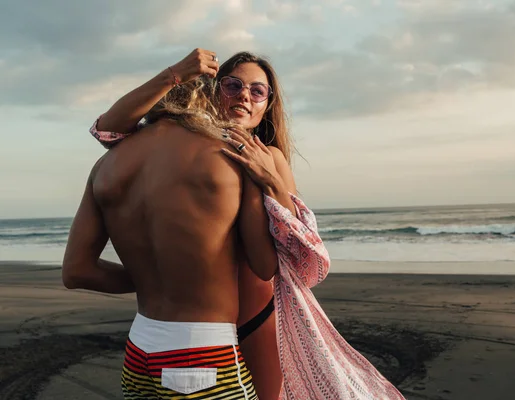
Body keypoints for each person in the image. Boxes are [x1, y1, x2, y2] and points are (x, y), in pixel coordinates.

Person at [88, 49, 406, 399]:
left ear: (267, 105)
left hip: (255, 317)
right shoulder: (201, 151)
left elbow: (289, 252)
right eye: (233, 85)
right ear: (212, 91)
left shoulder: (267, 156)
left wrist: (270, 181)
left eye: (258, 91)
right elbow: (106, 132)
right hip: (208, 331)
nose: (244, 95)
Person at [62, 72, 295, 399]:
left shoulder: (105, 165)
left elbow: (76, 272)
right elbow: (265, 264)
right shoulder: (233, 156)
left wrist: (149, 276)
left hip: (139, 352)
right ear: (209, 100)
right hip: (202, 354)